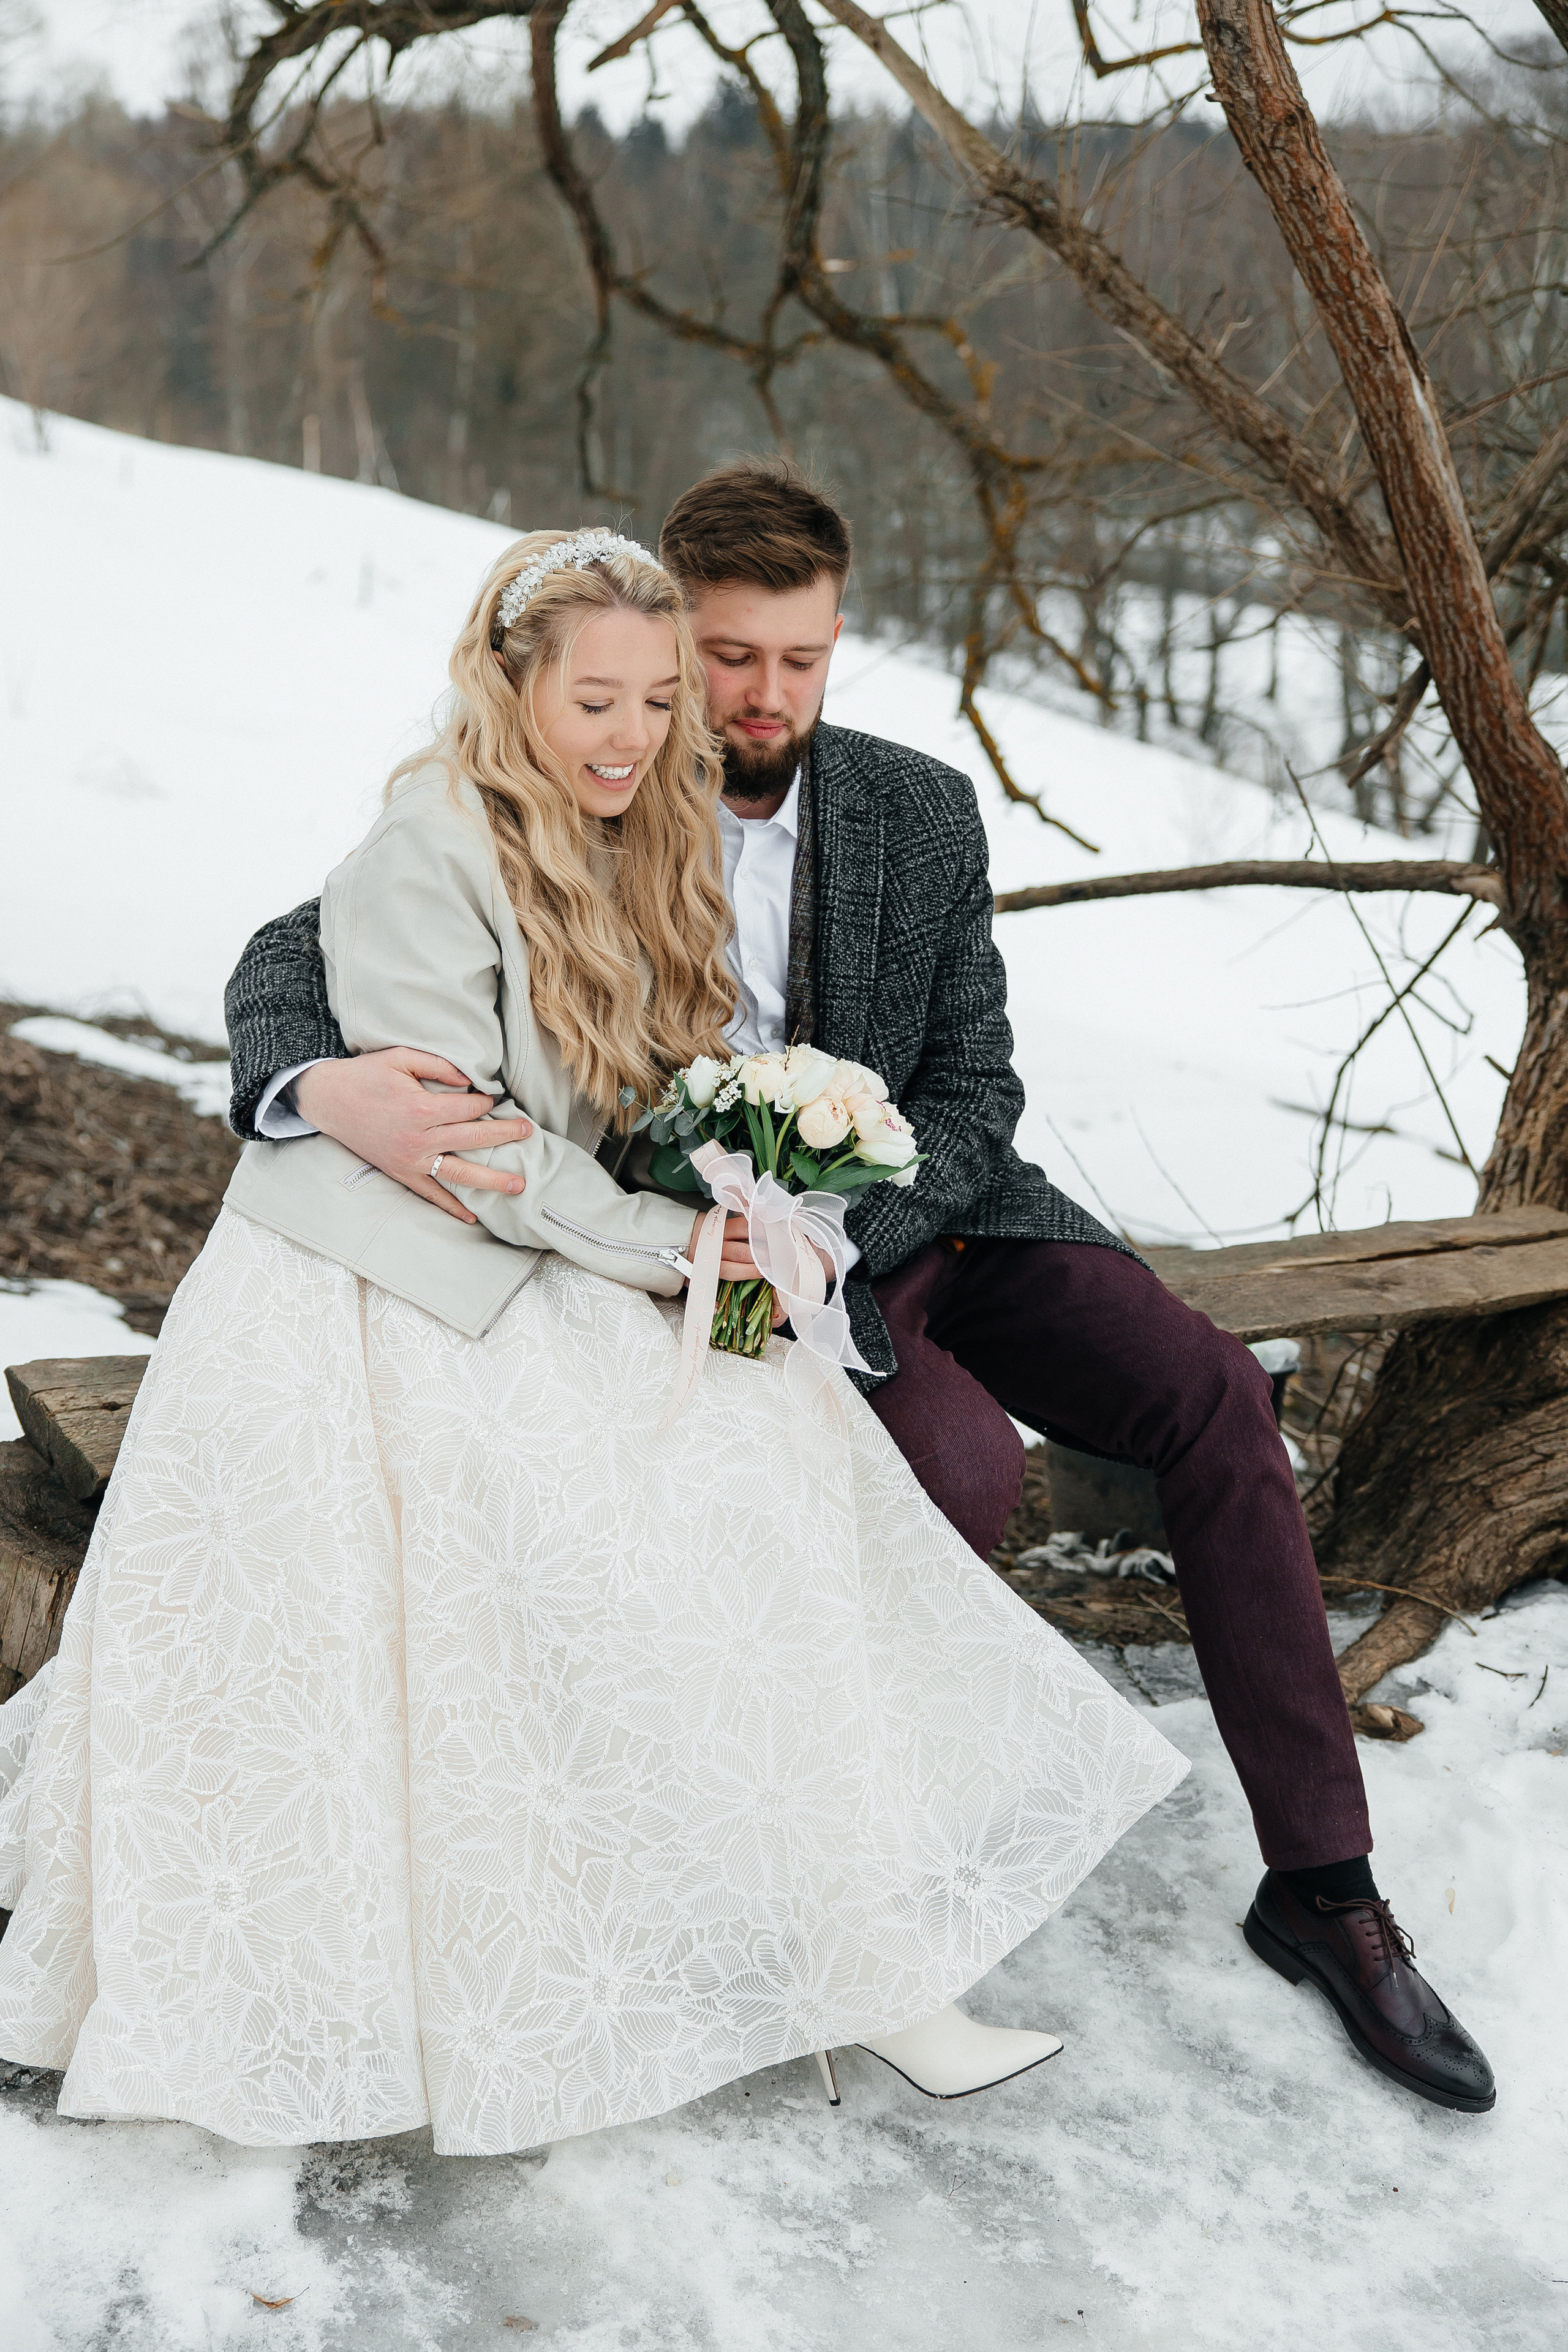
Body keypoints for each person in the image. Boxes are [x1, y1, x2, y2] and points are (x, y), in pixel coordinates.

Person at [225, 462, 1498, 2118]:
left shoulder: (916, 809)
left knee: (1216, 1399)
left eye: (803, 660)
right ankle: (862, 1893)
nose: (765, 697)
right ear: (676, 643)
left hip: (935, 1225)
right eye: (732, 659)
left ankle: (1326, 1890)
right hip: (715, 1261)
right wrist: (310, 1084)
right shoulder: (587, 781)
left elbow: (977, 1080)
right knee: (962, 1477)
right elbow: (294, 946)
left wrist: (859, 1217)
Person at [0, 528, 1186, 2154]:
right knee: (592, 1493)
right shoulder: (435, 841)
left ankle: (857, 1947)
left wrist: (758, 1178)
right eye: (594, 701)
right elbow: (475, 1149)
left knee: (778, 1433)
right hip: (371, 1273)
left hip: (523, 1241)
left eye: (652, 700)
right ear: (511, 689)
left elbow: (630, 1093)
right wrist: (672, 1244)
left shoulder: (637, 830)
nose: (631, 734)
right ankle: (705, 1955)